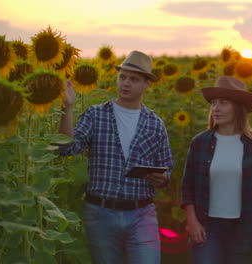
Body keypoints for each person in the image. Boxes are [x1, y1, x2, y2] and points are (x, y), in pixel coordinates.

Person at [59, 50, 173, 264]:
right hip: (101, 213)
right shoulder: (96, 114)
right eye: (123, 77)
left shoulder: (155, 124)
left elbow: (166, 169)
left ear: (146, 84)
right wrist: (68, 107)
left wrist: (162, 178)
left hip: (142, 214)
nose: (126, 83)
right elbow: (67, 149)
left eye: (134, 79)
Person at [181, 76, 252, 264]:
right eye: (214, 103)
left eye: (223, 103)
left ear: (238, 108)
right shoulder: (200, 143)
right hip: (208, 227)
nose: (216, 108)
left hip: (244, 228)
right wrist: (192, 223)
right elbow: (187, 188)